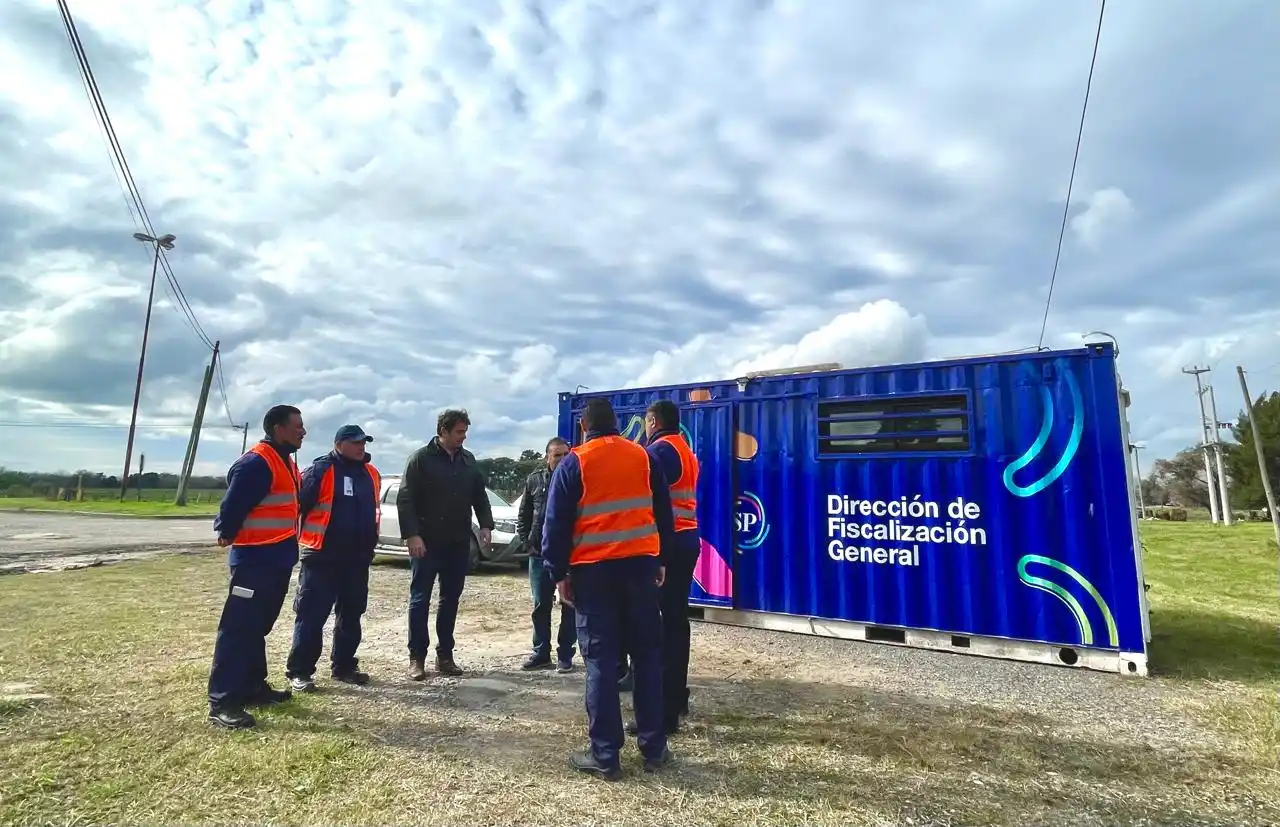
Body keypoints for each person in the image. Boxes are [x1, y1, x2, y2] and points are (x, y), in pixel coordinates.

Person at [543, 397, 676, 779]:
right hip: (639, 570)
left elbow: (556, 525)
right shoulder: (643, 457)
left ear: (583, 427)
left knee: (601, 662)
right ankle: (654, 748)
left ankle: (605, 756)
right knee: (647, 658)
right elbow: (662, 511)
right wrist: (661, 559)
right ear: (617, 424)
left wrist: (558, 573)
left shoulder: (575, 462)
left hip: (593, 574)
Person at [207, 404, 306, 729]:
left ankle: (252, 687)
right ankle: (223, 701)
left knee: (257, 628)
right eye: (297, 427)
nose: (302, 432)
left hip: (276, 560)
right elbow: (232, 507)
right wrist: (226, 530)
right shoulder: (257, 462)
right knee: (237, 630)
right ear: (278, 428)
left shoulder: (285, 462)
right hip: (253, 561)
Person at [397, 408, 495, 679]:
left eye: (465, 432)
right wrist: (412, 535)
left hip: (457, 542)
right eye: (459, 432)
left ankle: (445, 656)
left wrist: (486, 524)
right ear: (443, 431)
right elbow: (405, 499)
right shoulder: (420, 459)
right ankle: (416, 658)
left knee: (450, 599)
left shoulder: (468, 461)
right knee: (420, 600)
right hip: (426, 542)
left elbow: (479, 495)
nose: (463, 437)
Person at [284, 424, 382, 692]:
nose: (362, 446)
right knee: (312, 615)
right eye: (356, 442)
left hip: (357, 557)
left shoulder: (371, 473)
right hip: (322, 556)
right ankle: (300, 671)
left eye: (364, 442)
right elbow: (297, 505)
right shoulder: (321, 469)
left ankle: (344, 666)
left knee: (351, 614)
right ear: (339, 444)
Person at [627, 400, 699, 736]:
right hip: (687, 539)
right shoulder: (684, 449)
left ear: (653, 420)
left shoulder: (658, 452)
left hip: (666, 544)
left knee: (659, 629)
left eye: (645, 421)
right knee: (676, 622)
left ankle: (663, 712)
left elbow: (642, 497)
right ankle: (676, 698)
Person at [517, 436, 576, 673]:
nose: (562, 459)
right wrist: (526, 542)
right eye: (557, 455)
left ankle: (566, 655)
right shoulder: (534, 480)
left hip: (569, 553)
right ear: (547, 457)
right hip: (539, 554)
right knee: (540, 604)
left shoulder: (576, 480)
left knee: (569, 604)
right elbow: (524, 514)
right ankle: (541, 653)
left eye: (565, 455)